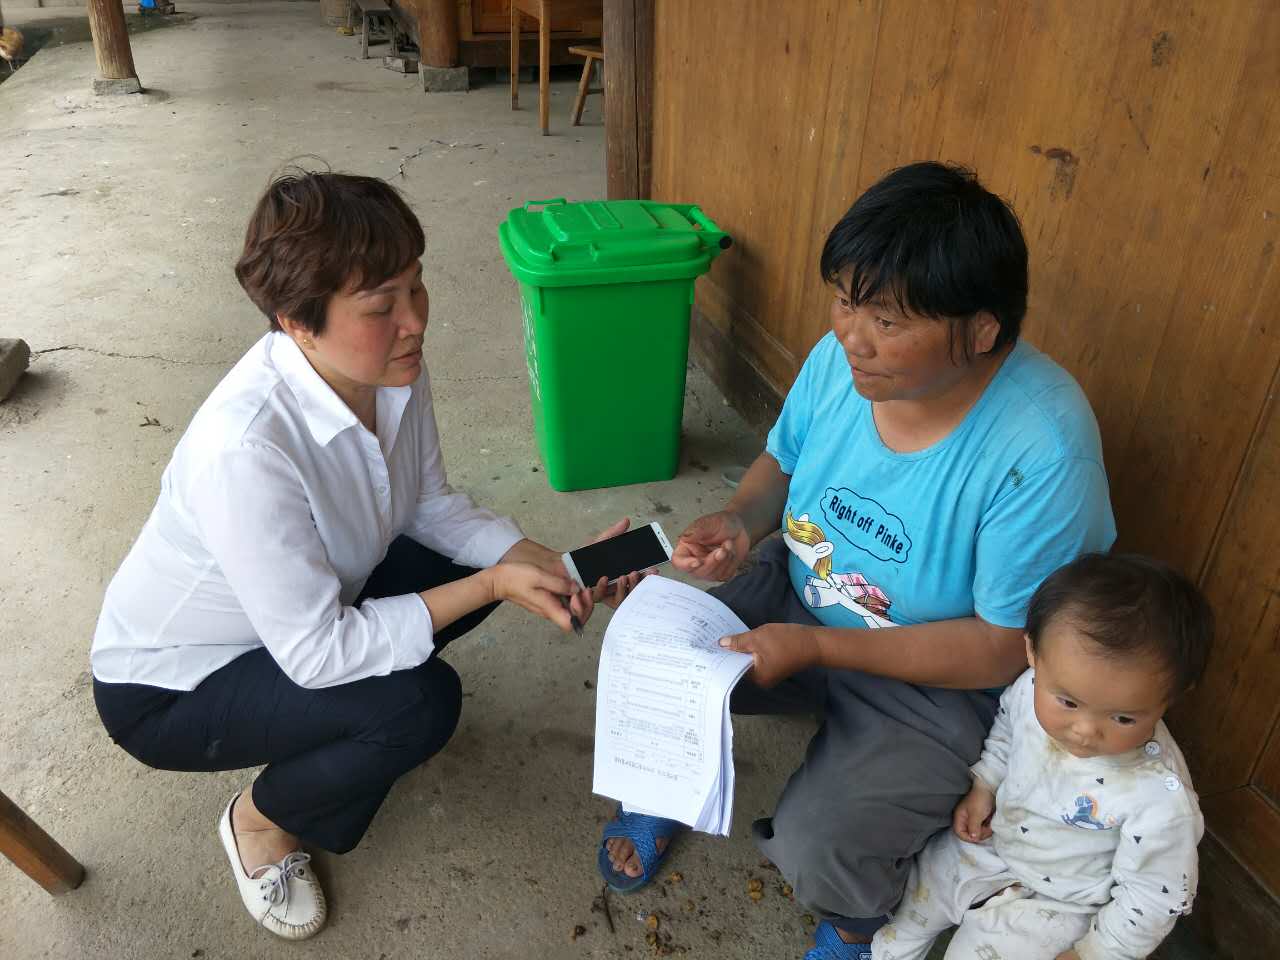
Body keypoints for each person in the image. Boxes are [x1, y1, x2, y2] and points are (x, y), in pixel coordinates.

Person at [91, 171, 632, 941]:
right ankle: (260, 820)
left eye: (417, 285)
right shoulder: (244, 450)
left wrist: (554, 564)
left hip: (298, 613)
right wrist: (492, 585)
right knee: (420, 705)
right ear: (297, 324)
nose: (415, 321)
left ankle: (350, 724)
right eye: (382, 306)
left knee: (457, 570)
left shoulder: (390, 368)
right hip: (175, 687)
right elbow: (317, 651)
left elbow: (430, 505)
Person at [596, 161, 1118, 960]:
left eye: (886, 319)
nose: (851, 335)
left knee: (820, 847)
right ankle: (670, 781)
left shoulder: (1042, 450)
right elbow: (784, 460)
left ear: (981, 331)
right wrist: (741, 522)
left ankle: (853, 925)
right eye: (845, 300)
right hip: (803, 593)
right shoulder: (845, 363)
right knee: (651, 652)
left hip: (938, 681)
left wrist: (817, 648)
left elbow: (1002, 647)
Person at [872, 553, 1212, 960]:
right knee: (915, 900)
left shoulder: (1160, 798)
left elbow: (1154, 897)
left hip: (1063, 903)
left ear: (1172, 697)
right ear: (1033, 652)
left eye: (1123, 718)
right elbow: (1008, 728)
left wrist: (1095, 952)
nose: (1085, 730)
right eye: (1068, 702)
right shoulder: (1032, 687)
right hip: (992, 844)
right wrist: (986, 784)